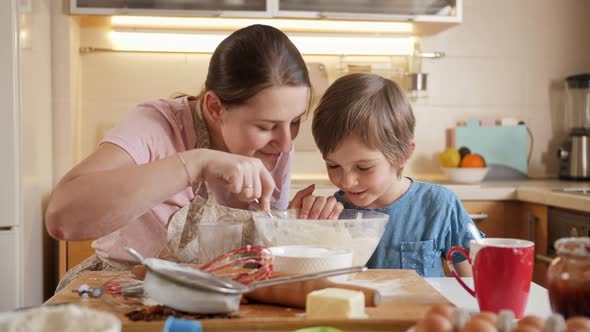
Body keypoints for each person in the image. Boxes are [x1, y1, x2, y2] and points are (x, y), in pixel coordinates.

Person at [45, 24, 343, 291]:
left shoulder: (274, 145)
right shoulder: (156, 125)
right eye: (265, 126)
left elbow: (259, 259)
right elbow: (62, 219)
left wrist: (290, 224)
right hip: (122, 293)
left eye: (294, 122)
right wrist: (196, 162)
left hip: (214, 297)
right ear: (214, 107)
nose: (286, 144)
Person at [311, 73, 481, 277]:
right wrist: (307, 229)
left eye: (364, 167)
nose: (347, 181)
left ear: (402, 155)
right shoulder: (332, 217)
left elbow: (474, 283)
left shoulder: (440, 205)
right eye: (333, 165)